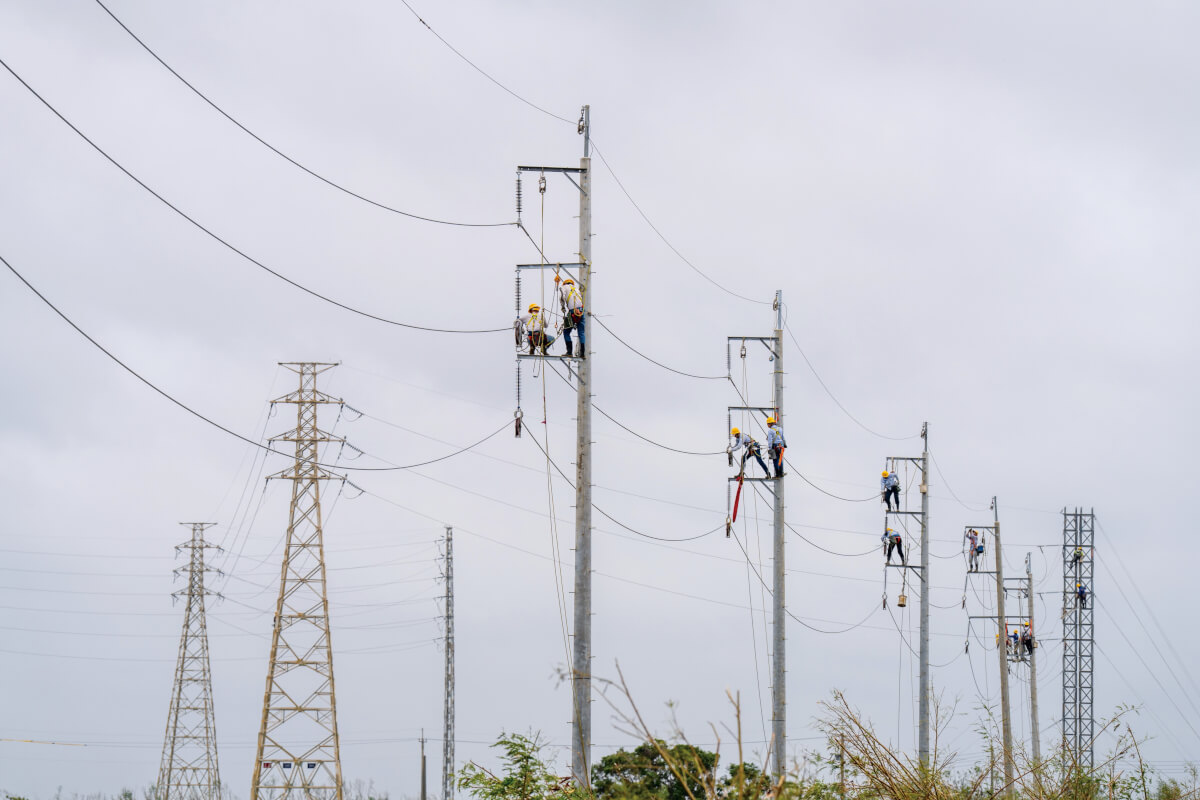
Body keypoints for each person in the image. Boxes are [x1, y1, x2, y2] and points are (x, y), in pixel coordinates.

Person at [557, 276, 586, 359]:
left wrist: (562, 307)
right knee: (581, 333)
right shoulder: (577, 290)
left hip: (572, 312)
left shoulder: (564, 287)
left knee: (566, 332)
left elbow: (562, 297)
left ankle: (569, 352)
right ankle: (582, 353)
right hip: (581, 312)